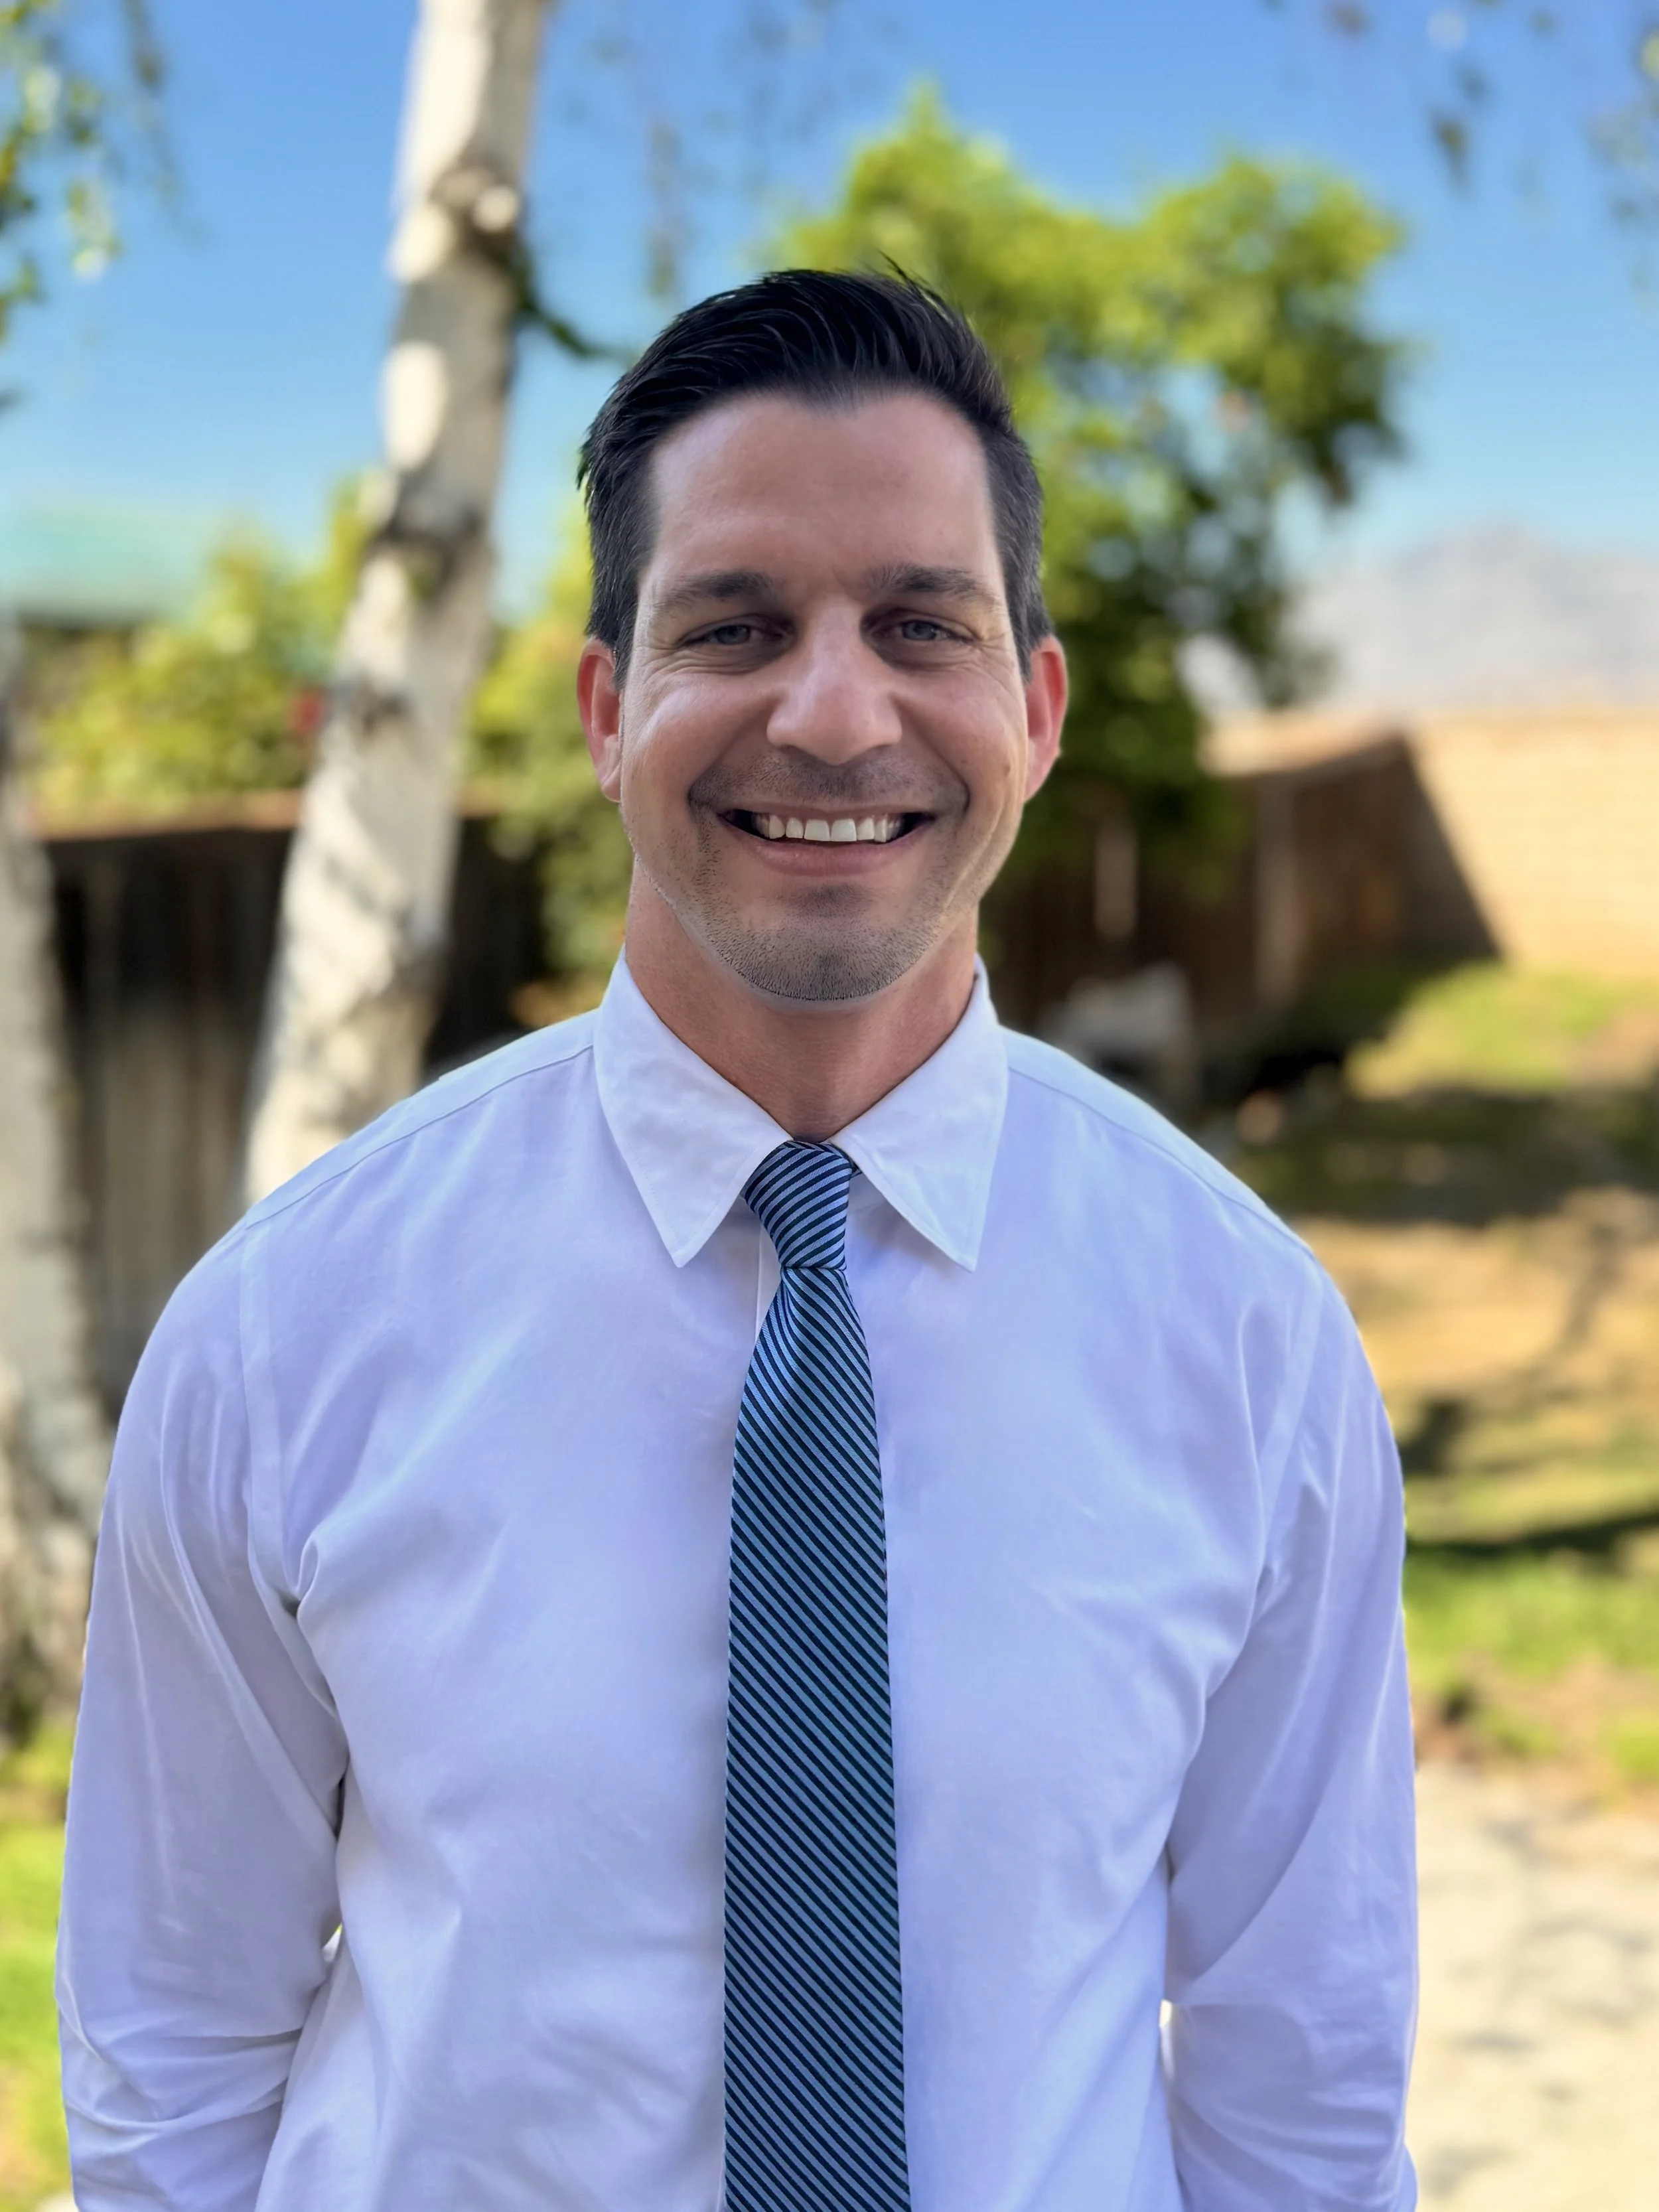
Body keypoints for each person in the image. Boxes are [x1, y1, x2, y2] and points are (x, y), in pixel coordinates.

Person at [58, 270, 1417, 2211]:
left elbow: (1301, 2082)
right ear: (610, 710)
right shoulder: (288, 1332)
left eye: (920, 623)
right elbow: (173, 2043)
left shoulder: (1248, 1338)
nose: (835, 707)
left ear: (1030, 709)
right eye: (737, 624)